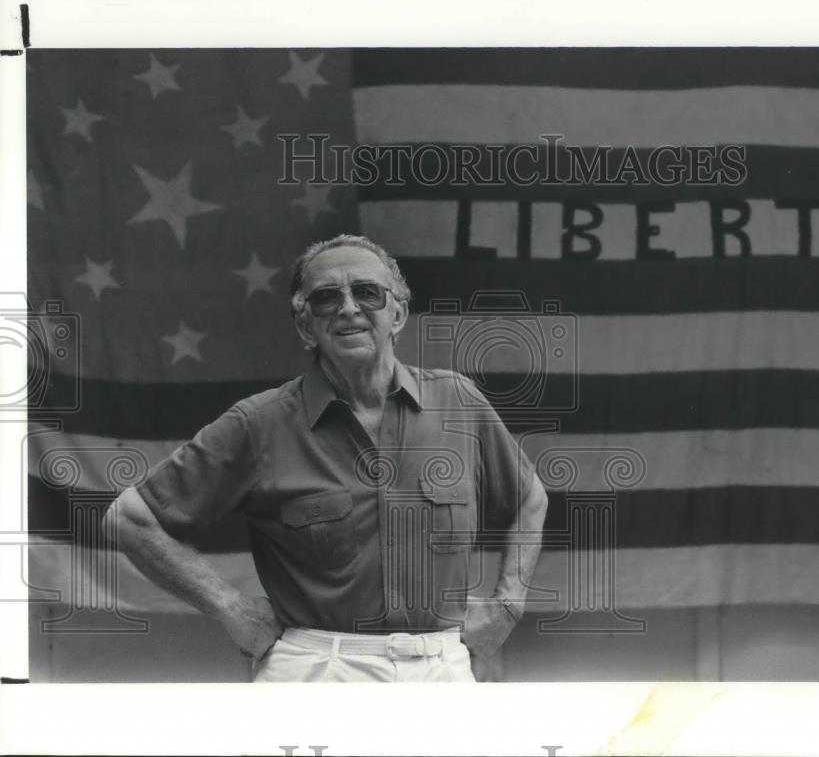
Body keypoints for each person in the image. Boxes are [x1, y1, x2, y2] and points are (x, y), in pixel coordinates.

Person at [103, 234, 549, 682]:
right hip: (317, 669)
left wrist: (508, 603)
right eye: (326, 298)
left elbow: (529, 497)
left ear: (398, 313)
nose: (349, 308)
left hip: (441, 669)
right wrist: (230, 608)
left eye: (368, 292)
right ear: (305, 327)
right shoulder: (260, 422)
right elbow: (129, 518)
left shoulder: (458, 402)